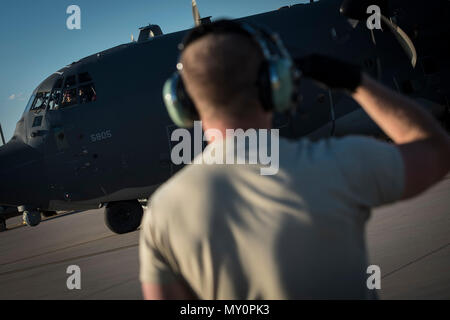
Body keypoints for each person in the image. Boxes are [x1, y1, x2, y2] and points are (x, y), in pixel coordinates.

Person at [139, 20, 450, 299]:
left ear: (182, 104)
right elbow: (436, 151)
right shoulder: (338, 163)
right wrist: (356, 81)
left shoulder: (162, 212)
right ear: (276, 84)